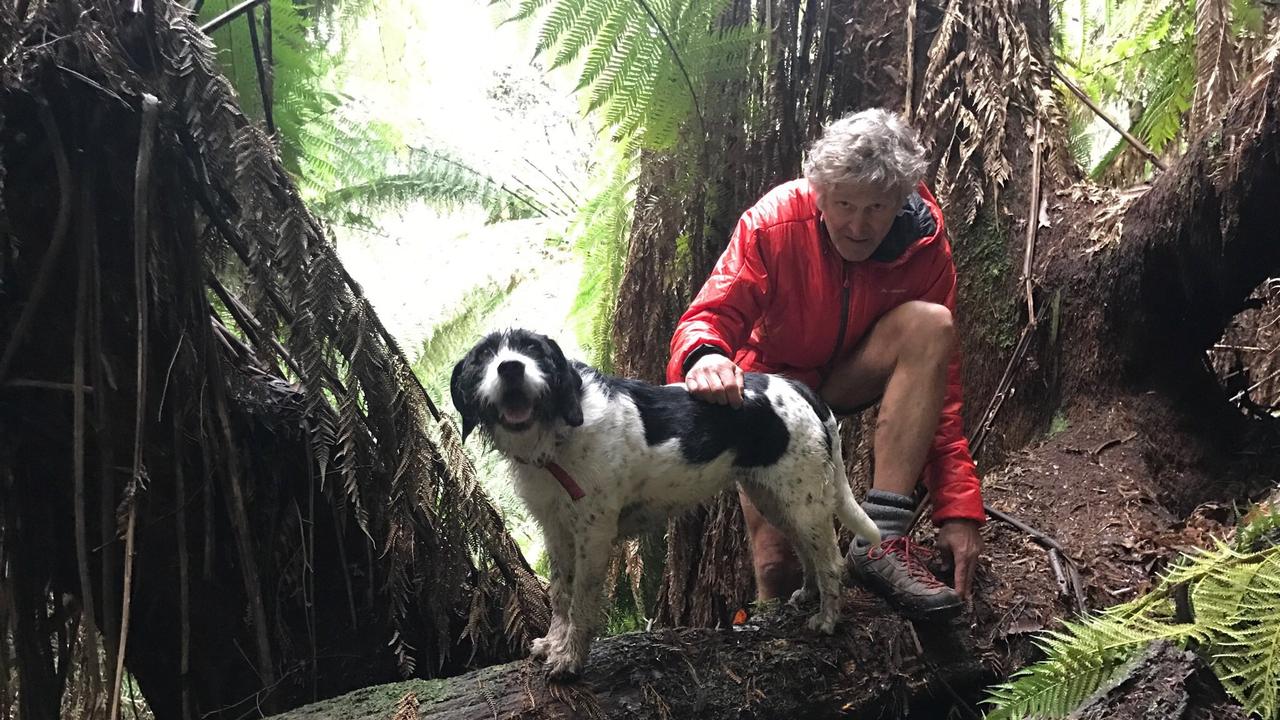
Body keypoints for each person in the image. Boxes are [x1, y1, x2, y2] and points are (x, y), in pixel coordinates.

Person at [666, 108, 984, 618]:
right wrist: (705, 356)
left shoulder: (925, 247)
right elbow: (709, 314)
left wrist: (958, 507)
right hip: (773, 393)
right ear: (818, 193)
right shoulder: (774, 222)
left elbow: (941, 391)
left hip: (849, 375)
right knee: (777, 566)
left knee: (932, 324)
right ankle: (771, 652)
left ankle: (882, 539)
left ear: (902, 200)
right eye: (844, 204)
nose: (857, 225)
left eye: (876, 208)